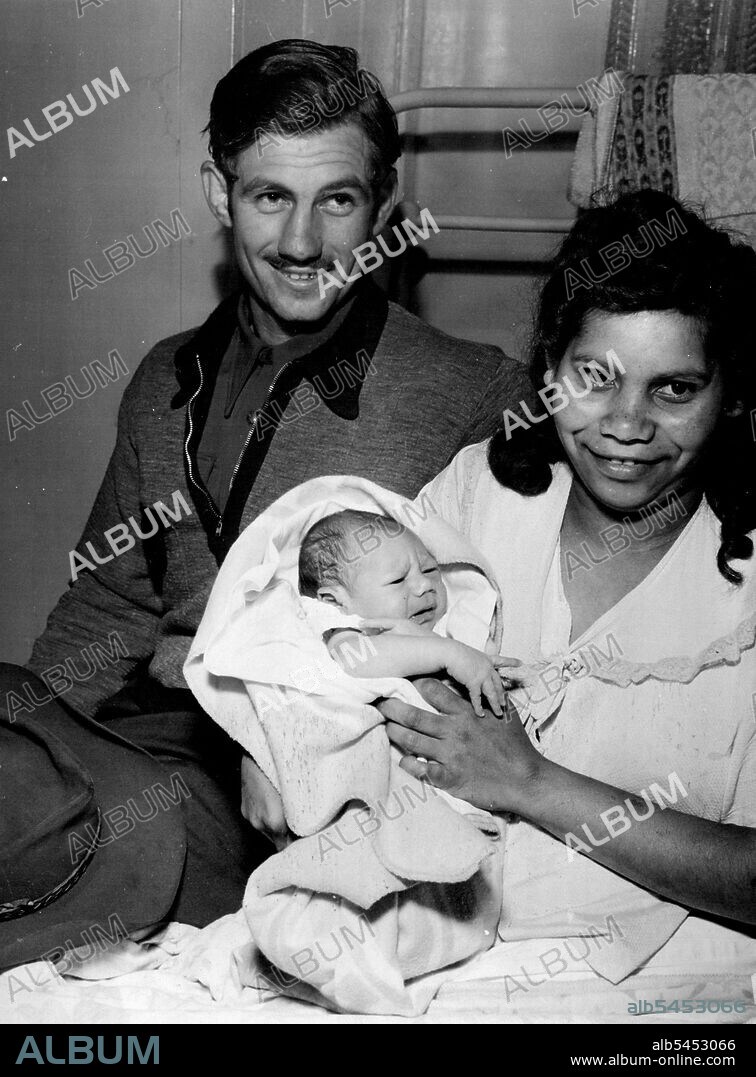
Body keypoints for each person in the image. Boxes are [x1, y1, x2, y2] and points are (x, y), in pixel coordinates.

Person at [12, 38, 531, 935]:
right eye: (269, 197)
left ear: (386, 206)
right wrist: (26, 737)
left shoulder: (471, 390)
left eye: (337, 200)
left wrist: (282, 736)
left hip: (313, 772)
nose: (301, 243)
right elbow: (111, 602)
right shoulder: (163, 381)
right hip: (157, 734)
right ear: (221, 194)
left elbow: (500, 622)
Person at [377, 190, 756, 984]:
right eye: (596, 376)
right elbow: (336, 642)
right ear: (551, 369)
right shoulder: (479, 496)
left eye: (674, 389)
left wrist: (532, 782)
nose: (627, 423)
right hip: (429, 951)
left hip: (678, 982)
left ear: (730, 397)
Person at [298, 508, 511, 715]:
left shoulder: (455, 622)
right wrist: (449, 652)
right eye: (398, 579)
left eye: (429, 570)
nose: (424, 585)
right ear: (335, 601)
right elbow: (351, 659)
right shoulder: (344, 627)